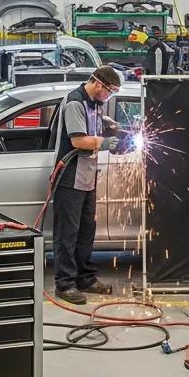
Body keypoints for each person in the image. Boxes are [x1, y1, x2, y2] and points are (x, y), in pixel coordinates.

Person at [52, 65, 124, 304]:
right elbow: (78, 140)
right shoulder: (75, 102)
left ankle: (86, 279)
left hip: (87, 177)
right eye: (110, 91)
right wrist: (105, 142)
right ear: (98, 85)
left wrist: (113, 128)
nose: (110, 95)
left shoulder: (95, 104)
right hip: (70, 178)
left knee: (86, 232)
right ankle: (65, 285)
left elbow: (96, 125)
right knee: (67, 234)